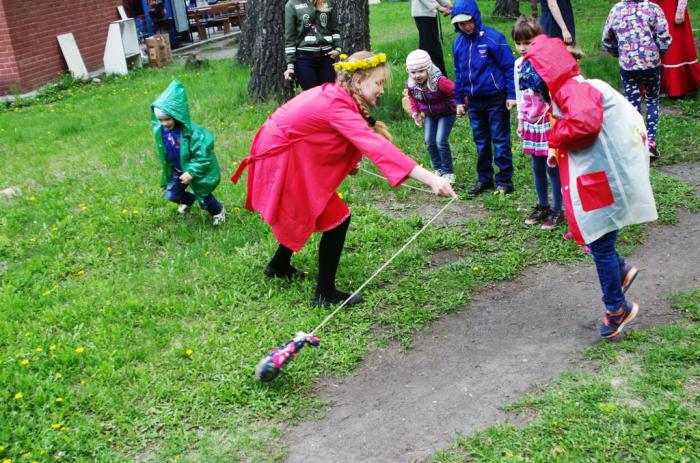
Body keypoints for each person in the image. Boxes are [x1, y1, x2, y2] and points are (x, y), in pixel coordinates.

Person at [232, 51, 457, 307]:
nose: (382, 90)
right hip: (279, 157)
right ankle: (324, 294)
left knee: (316, 209)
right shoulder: (336, 104)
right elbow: (377, 147)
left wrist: (349, 160)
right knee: (336, 218)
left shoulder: (338, 96)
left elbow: (331, 135)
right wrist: (431, 179)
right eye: (378, 83)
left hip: (285, 152)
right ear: (359, 81)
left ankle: (278, 265)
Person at [522, 36, 657, 338]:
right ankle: (620, 273)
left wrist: (555, 137)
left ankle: (617, 309)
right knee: (600, 242)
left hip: (603, 176)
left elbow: (584, 125)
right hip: (600, 174)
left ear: (547, 76)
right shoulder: (572, 87)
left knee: (600, 244)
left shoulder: (573, 89)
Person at [451, 0, 516, 196]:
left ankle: (504, 180)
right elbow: (459, 72)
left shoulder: (493, 38)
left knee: (500, 139)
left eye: (468, 21)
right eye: (461, 23)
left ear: (475, 17)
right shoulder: (458, 44)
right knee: (481, 140)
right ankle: (484, 178)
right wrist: (459, 99)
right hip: (474, 100)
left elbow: (509, 66)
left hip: (496, 98)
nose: (465, 26)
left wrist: (512, 94)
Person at [602, 0, 671, 159]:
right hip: (651, 63)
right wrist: (658, 53)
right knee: (652, 99)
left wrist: (618, 53)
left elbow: (607, 38)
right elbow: (664, 37)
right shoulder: (654, 9)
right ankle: (651, 143)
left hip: (628, 65)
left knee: (632, 104)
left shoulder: (617, 10)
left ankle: (638, 142)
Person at [151, 80, 226, 225]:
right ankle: (189, 200)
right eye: (160, 120)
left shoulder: (194, 134)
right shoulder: (163, 132)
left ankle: (218, 210)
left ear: (176, 115)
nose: (164, 123)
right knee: (171, 195)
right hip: (178, 169)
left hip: (195, 171)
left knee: (203, 196)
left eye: (167, 119)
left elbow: (203, 157)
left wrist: (191, 171)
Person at [513, 17, 563, 229]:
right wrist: (521, 121)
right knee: (537, 166)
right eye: (519, 43)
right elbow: (520, 93)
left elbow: (556, 92)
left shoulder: (545, 61)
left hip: (548, 121)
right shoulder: (518, 65)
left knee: (553, 166)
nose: (523, 48)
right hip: (531, 122)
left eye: (528, 42)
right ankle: (543, 205)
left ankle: (558, 210)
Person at [405, 49, 458, 184]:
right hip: (430, 114)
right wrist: (415, 111)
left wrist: (460, 105)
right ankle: (438, 168)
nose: (417, 75)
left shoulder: (440, 81)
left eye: (421, 71)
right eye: (413, 72)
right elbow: (412, 96)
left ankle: (448, 172)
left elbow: (455, 92)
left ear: (428, 69)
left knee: (440, 140)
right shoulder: (411, 83)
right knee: (429, 141)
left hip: (446, 113)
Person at [284, 0, 342, 90]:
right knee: (311, 95)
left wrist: (338, 49)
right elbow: (290, 38)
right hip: (304, 59)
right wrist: (290, 66)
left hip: (326, 57)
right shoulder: (292, 4)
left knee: (328, 94)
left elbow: (334, 30)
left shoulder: (327, 2)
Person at [651, 0, 700, 96]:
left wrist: (680, 10)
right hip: (653, 7)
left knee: (674, 47)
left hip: (671, 8)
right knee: (653, 42)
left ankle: (676, 86)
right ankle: (655, 85)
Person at [411, 0, 453, 76]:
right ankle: (440, 79)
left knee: (427, 48)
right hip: (423, 13)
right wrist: (439, 7)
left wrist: (447, 3)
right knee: (432, 49)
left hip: (428, 13)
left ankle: (428, 79)